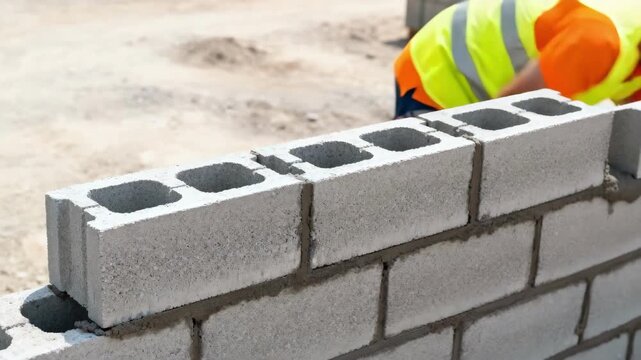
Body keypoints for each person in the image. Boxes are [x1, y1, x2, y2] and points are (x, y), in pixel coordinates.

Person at [395, 0, 641, 118]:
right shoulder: (597, 41)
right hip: (439, 69)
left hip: (489, 81)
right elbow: (509, 114)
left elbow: (632, 123)